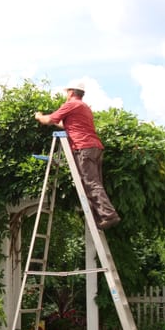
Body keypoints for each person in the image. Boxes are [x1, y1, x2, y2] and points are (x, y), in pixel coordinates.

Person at [34, 80, 120, 230]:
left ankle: (108, 215)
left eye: (67, 92)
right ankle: (101, 217)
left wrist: (38, 116)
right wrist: (55, 121)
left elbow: (48, 120)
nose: (66, 95)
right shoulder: (84, 107)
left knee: (90, 183)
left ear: (71, 92)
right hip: (95, 148)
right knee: (94, 183)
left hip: (83, 148)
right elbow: (65, 125)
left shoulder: (71, 104)